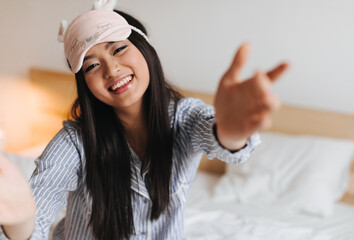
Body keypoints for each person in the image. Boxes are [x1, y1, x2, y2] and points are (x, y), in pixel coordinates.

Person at [0, 3, 289, 240]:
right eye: (92, 65)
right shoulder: (76, 142)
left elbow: (215, 135)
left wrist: (230, 130)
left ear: (145, 50)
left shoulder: (184, 117)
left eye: (119, 49)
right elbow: (36, 209)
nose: (111, 70)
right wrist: (20, 219)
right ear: (84, 84)